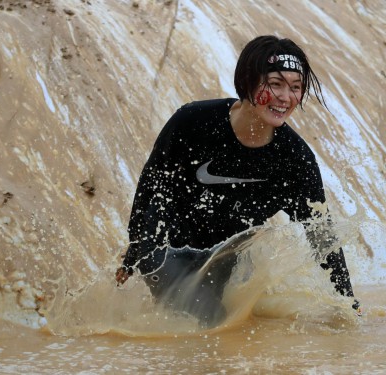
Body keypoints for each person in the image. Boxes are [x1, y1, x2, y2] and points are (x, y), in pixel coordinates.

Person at [115, 35, 361, 325]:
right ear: (248, 81)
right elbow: (151, 184)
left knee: (244, 326)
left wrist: (348, 301)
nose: (285, 97)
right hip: (166, 248)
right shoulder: (193, 122)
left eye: (296, 87)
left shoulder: (294, 159)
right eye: (275, 84)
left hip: (224, 258)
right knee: (210, 322)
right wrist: (134, 250)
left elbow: (320, 234)